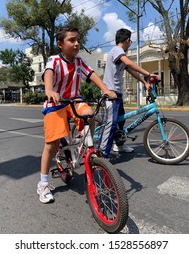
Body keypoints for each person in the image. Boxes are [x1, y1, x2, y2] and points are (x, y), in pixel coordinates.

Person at [37, 26, 117, 204]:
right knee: (51, 144)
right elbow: (48, 74)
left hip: (75, 100)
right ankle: (42, 184)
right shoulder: (54, 60)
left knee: (90, 114)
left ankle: (85, 141)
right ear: (60, 44)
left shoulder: (79, 61)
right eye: (71, 40)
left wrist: (106, 90)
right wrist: (49, 91)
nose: (76, 43)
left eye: (78, 40)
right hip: (56, 102)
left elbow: (92, 74)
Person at [98, 28, 158, 158]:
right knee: (111, 123)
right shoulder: (117, 50)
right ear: (127, 40)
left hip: (117, 93)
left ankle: (119, 145)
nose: (130, 44)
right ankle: (101, 155)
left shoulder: (119, 53)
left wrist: (144, 82)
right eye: (130, 41)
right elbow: (129, 62)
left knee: (120, 121)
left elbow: (131, 70)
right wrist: (148, 74)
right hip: (110, 93)